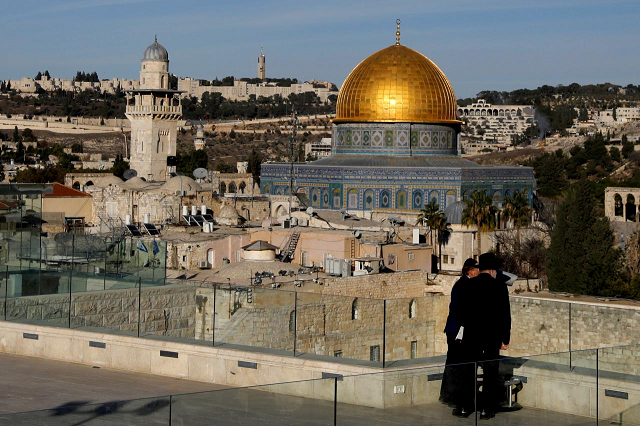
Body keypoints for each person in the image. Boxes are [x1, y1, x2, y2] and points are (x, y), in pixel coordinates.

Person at [459, 252, 511, 420]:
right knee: (490, 374)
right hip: (491, 337)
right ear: (492, 270)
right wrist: (505, 338)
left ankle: (466, 407)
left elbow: (463, 313)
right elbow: (505, 315)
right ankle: (485, 409)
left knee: (469, 372)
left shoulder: (468, 285)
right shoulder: (499, 287)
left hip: (471, 336)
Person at [440, 258, 479, 417]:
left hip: (456, 332)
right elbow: (461, 312)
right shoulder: (465, 285)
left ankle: (457, 400)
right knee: (460, 367)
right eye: (477, 268)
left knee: (456, 365)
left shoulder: (461, 284)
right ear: (470, 270)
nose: (478, 271)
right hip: (459, 333)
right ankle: (460, 401)